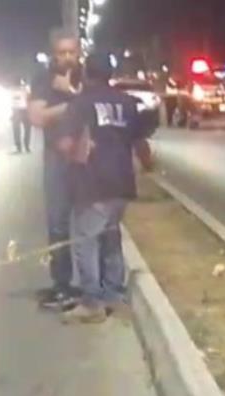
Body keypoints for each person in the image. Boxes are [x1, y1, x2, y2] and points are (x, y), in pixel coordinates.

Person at [55, 52, 155, 324]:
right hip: (122, 182)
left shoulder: (81, 103)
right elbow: (141, 144)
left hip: (93, 182)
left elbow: (65, 144)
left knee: (84, 239)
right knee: (110, 238)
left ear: (86, 73)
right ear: (110, 75)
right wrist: (149, 168)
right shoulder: (127, 102)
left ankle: (92, 302)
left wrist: (68, 156)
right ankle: (114, 294)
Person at [28, 28, 83, 311]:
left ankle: (94, 286)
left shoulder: (87, 78)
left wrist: (72, 95)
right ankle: (62, 284)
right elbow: (36, 117)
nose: (67, 58)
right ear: (53, 55)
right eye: (61, 53)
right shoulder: (44, 80)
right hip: (56, 160)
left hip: (87, 159)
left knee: (91, 223)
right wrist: (69, 104)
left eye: (71, 52)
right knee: (58, 223)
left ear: (79, 52)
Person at [11, 81, 32, 154]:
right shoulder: (25, 90)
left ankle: (22, 147)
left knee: (19, 129)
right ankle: (25, 147)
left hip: (22, 111)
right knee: (25, 129)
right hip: (22, 110)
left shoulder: (24, 90)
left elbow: (15, 103)